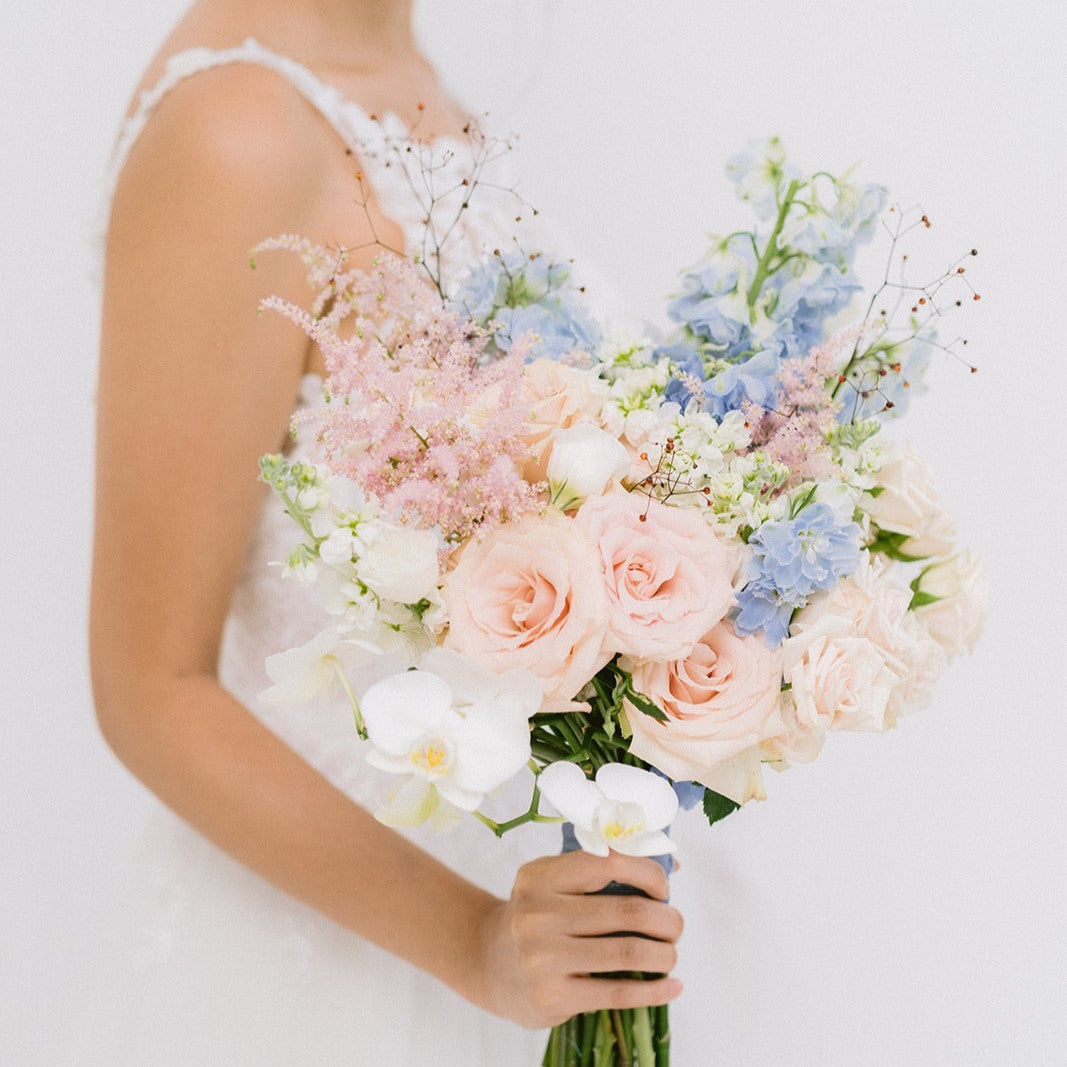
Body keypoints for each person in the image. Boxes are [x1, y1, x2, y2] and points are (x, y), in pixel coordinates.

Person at [90, 1, 684, 1061]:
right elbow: (150, 686)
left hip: (556, 908)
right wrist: (476, 942)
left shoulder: (408, 69)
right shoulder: (236, 127)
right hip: (364, 959)